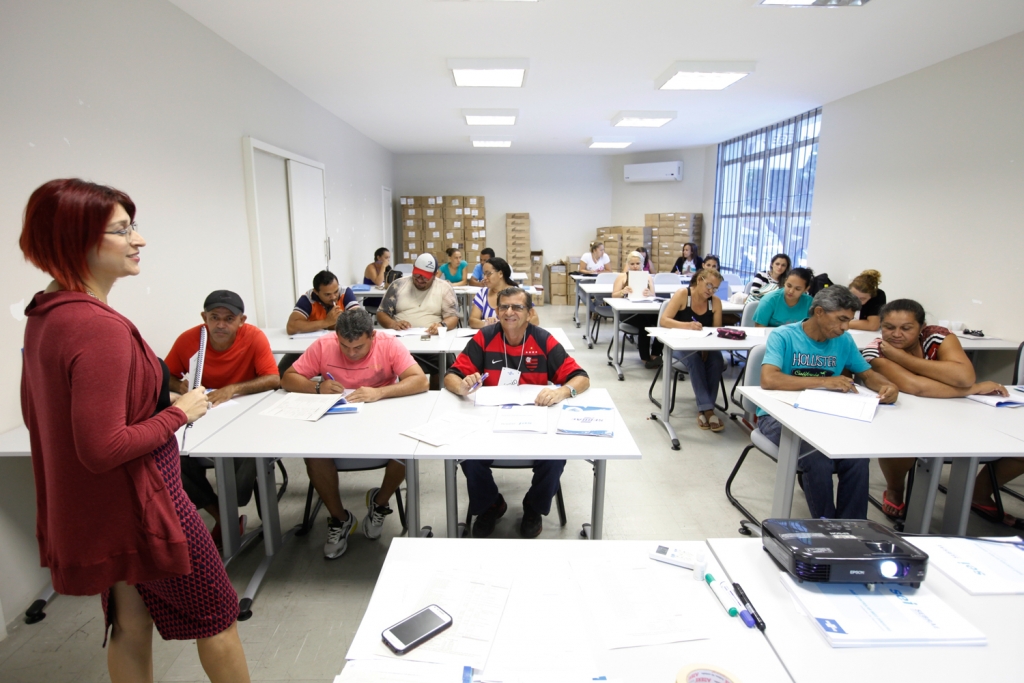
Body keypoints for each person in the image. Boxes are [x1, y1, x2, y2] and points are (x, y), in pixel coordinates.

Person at [19, 179, 249, 682]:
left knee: (129, 622)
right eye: (122, 230)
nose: (138, 240)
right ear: (74, 240)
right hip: (147, 505)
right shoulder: (95, 325)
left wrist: (154, 398)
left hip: (107, 510)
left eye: (133, 227)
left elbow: (67, 407)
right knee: (218, 616)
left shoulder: (46, 313)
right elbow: (103, 447)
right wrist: (179, 412)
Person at [445, 287, 590, 538]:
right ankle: (491, 504)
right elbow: (451, 376)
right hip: (489, 418)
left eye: (517, 307)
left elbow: (581, 378)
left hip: (534, 418)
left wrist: (561, 392)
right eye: (503, 307)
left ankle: (533, 507)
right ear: (497, 311)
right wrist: (463, 386)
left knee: (556, 457)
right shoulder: (484, 337)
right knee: (467, 454)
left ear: (530, 313)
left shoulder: (543, 340)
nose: (509, 312)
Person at [282, 308, 428, 557]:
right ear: (337, 335)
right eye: (344, 346)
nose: (351, 354)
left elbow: (421, 380)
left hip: (381, 419)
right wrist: (316, 386)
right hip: (335, 422)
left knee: (409, 448)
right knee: (313, 453)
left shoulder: (388, 344)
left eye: (358, 347)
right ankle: (339, 519)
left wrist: (379, 392)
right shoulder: (323, 344)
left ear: (372, 336)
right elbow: (288, 378)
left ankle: (379, 503)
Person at [860, 299, 1011, 520]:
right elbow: (917, 387)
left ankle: (979, 493)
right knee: (899, 442)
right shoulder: (875, 352)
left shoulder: (937, 336)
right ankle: (895, 488)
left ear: (921, 327)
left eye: (906, 328)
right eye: (889, 327)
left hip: (959, 413)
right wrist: (974, 389)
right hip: (909, 416)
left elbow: (964, 376)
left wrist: (902, 359)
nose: (896, 334)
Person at [759, 286, 899, 519]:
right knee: (818, 457)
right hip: (777, 416)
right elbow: (769, 379)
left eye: (849, 321)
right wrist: (825, 381)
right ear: (820, 312)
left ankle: (852, 528)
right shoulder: (784, 335)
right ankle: (827, 527)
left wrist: (888, 386)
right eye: (841, 319)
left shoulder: (843, 341)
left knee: (857, 457)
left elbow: (866, 374)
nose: (845, 327)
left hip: (824, 416)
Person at [165, 290, 280, 547]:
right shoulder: (190, 339)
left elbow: (274, 378)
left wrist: (233, 388)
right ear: (204, 317)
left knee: (253, 454)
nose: (220, 324)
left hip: (247, 416)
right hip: (204, 415)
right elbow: (166, 375)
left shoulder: (253, 337)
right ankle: (223, 515)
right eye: (214, 317)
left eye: (229, 318)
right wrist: (181, 386)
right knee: (172, 455)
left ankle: (233, 505)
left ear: (242, 320)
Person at [659, 269, 727, 431]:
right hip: (678, 345)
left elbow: (716, 330)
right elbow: (664, 320)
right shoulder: (683, 294)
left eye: (715, 288)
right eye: (709, 285)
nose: (711, 291)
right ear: (699, 280)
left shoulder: (715, 302)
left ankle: (705, 408)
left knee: (717, 360)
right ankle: (708, 409)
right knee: (694, 360)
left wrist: (706, 346)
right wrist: (687, 326)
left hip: (704, 345)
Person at [377, 253, 459, 382]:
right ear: (413, 269)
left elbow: (452, 317)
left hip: (433, 342)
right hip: (401, 342)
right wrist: (393, 324)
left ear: (434, 274)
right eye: (417, 275)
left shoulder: (444, 287)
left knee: (446, 363)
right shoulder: (398, 285)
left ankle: (435, 393)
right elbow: (382, 313)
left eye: (425, 277)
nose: (420, 280)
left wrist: (442, 325)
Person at [612, 251, 661, 369]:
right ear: (628, 264)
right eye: (632, 264)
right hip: (627, 312)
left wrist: (649, 294)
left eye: (637, 263)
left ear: (642, 264)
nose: (635, 266)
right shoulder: (622, 277)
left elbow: (654, 296)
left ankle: (655, 354)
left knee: (661, 321)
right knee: (645, 324)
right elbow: (613, 295)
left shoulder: (648, 277)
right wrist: (622, 291)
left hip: (646, 309)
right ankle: (645, 358)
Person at [470, 256, 539, 328]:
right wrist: (487, 324)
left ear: (500, 274)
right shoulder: (482, 294)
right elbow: (472, 321)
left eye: (488, 274)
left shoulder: (518, 294)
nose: (484, 278)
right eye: (484, 274)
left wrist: (505, 323)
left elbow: (535, 320)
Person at [286, 270, 359, 334]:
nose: (333, 297)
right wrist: (326, 322)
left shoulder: (345, 292)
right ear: (316, 292)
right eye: (327, 294)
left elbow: (359, 318)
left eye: (336, 291)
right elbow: (291, 327)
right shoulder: (308, 299)